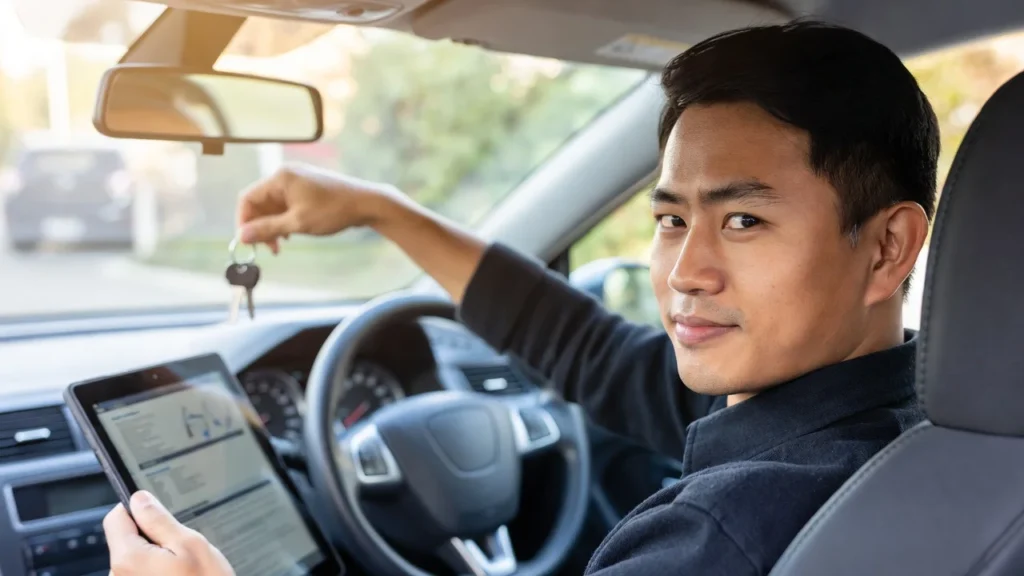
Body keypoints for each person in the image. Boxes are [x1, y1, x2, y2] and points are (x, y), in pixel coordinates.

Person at [104, 20, 937, 576]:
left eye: (744, 219)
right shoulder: (919, 428)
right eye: (672, 217)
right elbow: (597, 357)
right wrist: (378, 210)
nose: (686, 270)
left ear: (889, 246)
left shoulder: (719, 535)